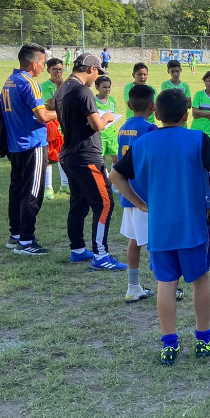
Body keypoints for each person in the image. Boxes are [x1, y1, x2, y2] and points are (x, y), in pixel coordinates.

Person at [110, 88, 210, 366]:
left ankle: (169, 345)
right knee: (200, 279)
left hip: (160, 227)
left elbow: (115, 174)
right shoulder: (197, 138)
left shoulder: (145, 143)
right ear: (187, 114)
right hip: (193, 225)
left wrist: (140, 204)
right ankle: (203, 339)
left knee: (166, 283)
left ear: (157, 113)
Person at [55, 54, 126, 270]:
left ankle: (77, 249)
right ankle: (101, 256)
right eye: (98, 73)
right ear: (92, 69)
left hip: (70, 153)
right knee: (104, 203)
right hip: (86, 156)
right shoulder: (82, 90)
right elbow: (96, 124)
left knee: (79, 203)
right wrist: (108, 117)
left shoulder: (63, 88)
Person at [1, 43, 58, 255]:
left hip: (15, 144)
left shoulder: (10, 81)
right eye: (43, 63)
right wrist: (62, 113)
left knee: (16, 189)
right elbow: (42, 116)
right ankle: (26, 240)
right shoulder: (30, 82)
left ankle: (15, 234)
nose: (44, 67)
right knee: (33, 191)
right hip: (32, 143)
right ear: (34, 63)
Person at [116, 84, 159, 303]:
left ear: (129, 104)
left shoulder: (123, 128)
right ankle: (167, 284)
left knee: (135, 240)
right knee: (156, 241)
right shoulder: (150, 129)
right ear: (153, 106)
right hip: (146, 195)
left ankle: (133, 286)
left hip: (128, 193)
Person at [40, 57, 69, 197]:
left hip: (65, 124)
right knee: (50, 157)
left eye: (60, 69)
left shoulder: (68, 83)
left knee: (63, 156)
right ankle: (48, 188)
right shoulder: (45, 86)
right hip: (52, 125)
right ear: (48, 70)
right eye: (55, 69)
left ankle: (65, 185)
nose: (58, 72)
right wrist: (59, 87)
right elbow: (52, 104)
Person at [94, 75, 119, 166]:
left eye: (109, 87)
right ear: (97, 87)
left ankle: (114, 178)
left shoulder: (112, 101)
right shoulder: (93, 101)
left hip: (111, 134)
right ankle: (104, 177)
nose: (107, 89)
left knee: (116, 157)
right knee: (101, 159)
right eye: (104, 87)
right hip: (100, 136)